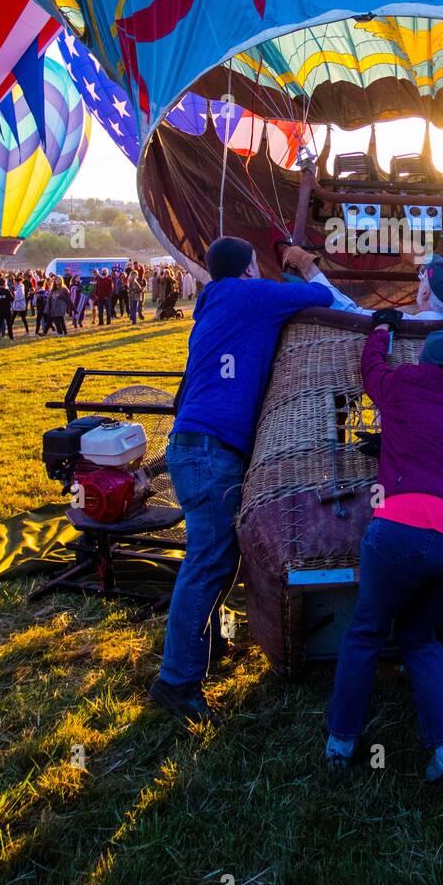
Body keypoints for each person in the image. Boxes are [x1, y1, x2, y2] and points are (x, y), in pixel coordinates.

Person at [149, 236, 333, 725]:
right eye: (259, 262)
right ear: (250, 268)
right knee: (208, 563)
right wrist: (303, 265)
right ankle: (176, 682)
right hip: (212, 452)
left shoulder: (213, 304)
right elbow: (324, 299)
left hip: (194, 447)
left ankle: (200, 654)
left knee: (213, 559)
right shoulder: (246, 295)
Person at [326, 322, 443, 795]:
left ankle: (339, 746)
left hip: (403, 528)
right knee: (421, 636)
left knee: (366, 631)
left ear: (425, 359)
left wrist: (380, 330)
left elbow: (370, 369)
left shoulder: (404, 382)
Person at [282, 248, 443, 323]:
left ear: (425, 292)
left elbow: (348, 310)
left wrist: (306, 264)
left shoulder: (403, 323)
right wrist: (421, 262)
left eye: (422, 278)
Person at [0, 272, 14, 340]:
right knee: (9, 324)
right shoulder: (6, 291)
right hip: (6, 310)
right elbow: (12, 299)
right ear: (4, 284)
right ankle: (11, 336)